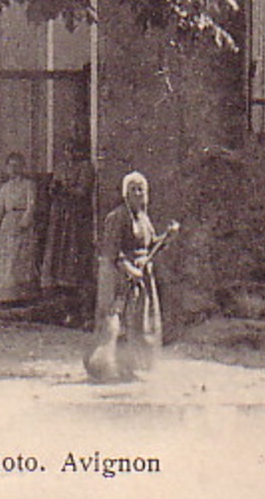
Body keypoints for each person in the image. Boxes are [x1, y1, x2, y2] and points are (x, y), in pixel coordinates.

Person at [94, 171, 172, 376]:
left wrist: (167, 237)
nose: (138, 193)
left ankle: (137, 365)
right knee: (124, 321)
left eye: (141, 190)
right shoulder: (117, 217)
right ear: (125, 194)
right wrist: (129, 269)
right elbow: (112, 250)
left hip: (143, 276)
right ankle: (116, 366)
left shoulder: (144, 219)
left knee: (141, 321)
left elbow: (152, 245)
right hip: (124, 278)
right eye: (133, 190)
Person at [41, 137, 97, 323]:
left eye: (73, 150)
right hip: (60, 214)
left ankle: (76, 297)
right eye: (66, 150)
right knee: (57, 249)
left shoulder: (85, 168)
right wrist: (54, 189)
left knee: (73, 249)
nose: (70, 154)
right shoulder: (60, 167)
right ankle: (58, 301)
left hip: (75, 215)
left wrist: (66, 190)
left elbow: (82, 191)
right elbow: (53, 187)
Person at [0, 152, 40, 305]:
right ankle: (6, 298)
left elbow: (32, 205)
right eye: (11, 166)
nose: (14, 169)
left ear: (23, 167)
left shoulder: (29, 185)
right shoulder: (5, 188)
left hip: (22, 225)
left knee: (20, 259)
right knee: (7, 260)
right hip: (8, 225)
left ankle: (22, 297)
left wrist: (25, 222)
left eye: (17, 166)